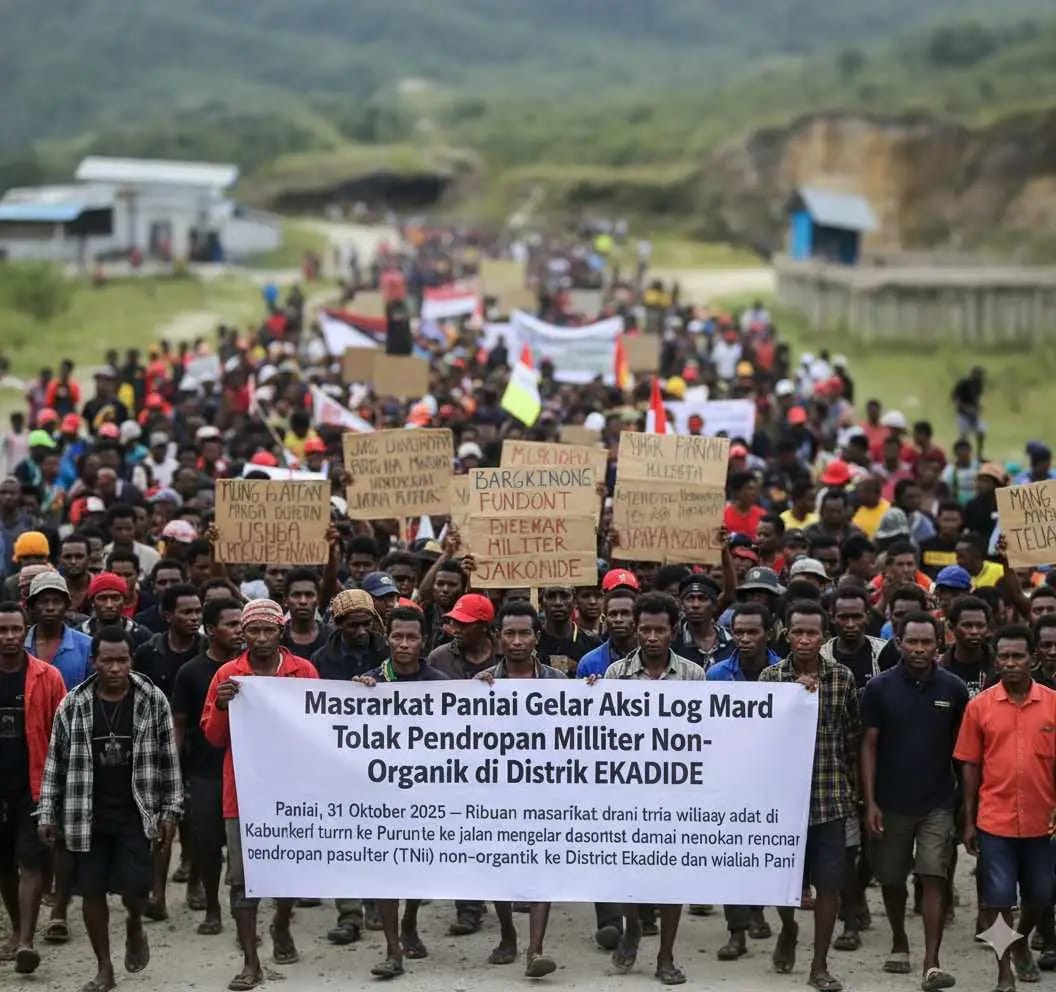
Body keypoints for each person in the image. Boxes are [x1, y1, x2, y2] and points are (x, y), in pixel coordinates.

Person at [38, 625, 181, 992]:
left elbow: (168, 758)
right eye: (107, 661)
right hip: (85, 813)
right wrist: (48, 813)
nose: (115, 668)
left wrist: (170, 810)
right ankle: (104, 967)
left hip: (137, 811)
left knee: (137, 888)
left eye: (122, 660)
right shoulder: (74, 704)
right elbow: (55, 762)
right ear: (94, 661)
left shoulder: (152, 699)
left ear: (131, 660)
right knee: (92, 890)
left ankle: (134, 923)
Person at [201, 599, 319, 991]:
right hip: (243, 793)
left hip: (291, 790)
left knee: (288, 873)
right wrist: (221, 706)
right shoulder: (227, 674)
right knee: (242, 880)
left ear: (280, 633)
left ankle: (282, 923)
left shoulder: (303, 672)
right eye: (254, 631)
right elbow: (214, 737)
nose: (262, 638)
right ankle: (251, 962)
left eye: (270, 630)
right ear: (243, 634)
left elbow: (320, 729)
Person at [860, 611, 967, 989]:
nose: (919, 649)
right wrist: (870, 801)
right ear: (899, 643)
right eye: (912, 642)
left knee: (933, 875)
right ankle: (899, 941)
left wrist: (964, 805)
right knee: (891, 878)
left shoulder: (954, 689)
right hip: (890, 801)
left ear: (939, 643)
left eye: (927, 642)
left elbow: (963, 751)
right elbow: (868, 747)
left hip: (937, 801)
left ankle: (931, 962)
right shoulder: (879, 688)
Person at [760, 600, 861, 992]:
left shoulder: (842, 677)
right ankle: (787, 928)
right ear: (786, 633)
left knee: (829, 885)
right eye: (797, 632)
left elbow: (852, 736)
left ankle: (819, 965)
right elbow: (759, 738)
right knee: (782, 883)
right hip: (783, 800)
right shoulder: (771, 679)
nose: (804, 639)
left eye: (812, 633)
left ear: (824, 635)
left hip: (830, 797)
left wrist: (854, 791)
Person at [603, 591, 700, 985]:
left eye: (660, 629)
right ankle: (632, 926)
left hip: (676, 790)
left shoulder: (694, 675)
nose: (652, 636)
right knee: (629, 871)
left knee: (671, 877)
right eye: (645, 629)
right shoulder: (615, 675)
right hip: (629, 790)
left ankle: (666, 956)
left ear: (674, 631)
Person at [954, 625, 1056, 990]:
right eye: (1005, 657)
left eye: (1019, 656)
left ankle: (1020, 941)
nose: (1011, 663)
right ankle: (1003, 971)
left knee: (1040, 895)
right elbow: (969, 764)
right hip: (993, 820)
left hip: (1042, 823)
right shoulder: (979, 707)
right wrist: (968, 819)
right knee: (997, 901)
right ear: (996, 660)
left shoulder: (1053, 704)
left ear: (1033, 658)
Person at [353, 606, 448, 978]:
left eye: (412, 637)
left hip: (426, 791)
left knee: (417, 871)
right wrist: (357, 696)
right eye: (397, 637)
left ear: (423, 640)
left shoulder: (438, 682)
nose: (404, 644)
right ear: (387, 638)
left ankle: (410, 920)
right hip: (382, 792)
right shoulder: (372, 681)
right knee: (385, 871)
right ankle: (394, 951)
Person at [472, 600, 564, 977]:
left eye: (524, 632)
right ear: (497, 638)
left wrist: (591, 693)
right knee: (501, 870)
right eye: (509, 633)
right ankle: (508, 933)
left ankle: (534, 949)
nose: (516, 640)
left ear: (536, 637)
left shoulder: (559, 684)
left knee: (541, 869)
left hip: (545, 792)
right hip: (498, 793)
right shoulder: (480, 683)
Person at [707, 602, 779, 960]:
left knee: (767, 850)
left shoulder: (788, 674)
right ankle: (736, 931)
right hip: (730, 777)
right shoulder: (718, 675)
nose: (745, 639)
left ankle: (759, 909)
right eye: (739, 632)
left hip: (777, 778)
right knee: (729, 852)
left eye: (753, 632)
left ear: (770, 632)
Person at [131, 583, 204, 920]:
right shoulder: (148, 652)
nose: (194, 618)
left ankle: (195, 884)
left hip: (203, 745)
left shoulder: (207, 649)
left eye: (198, 611)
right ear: (167, 615)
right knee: (163, 821)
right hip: (157, 745)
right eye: (186, 612)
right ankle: (156, 893)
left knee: (199, 822)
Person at [0, 602, 65, 975]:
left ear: (25, 631)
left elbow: (63, 733)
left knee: (30, 861)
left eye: (15, 630)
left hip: (34, 785)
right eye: (2, 631)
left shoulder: (47, 676)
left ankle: (25, 940)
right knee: (5, 868)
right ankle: (15, 928)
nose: (9, 637)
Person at [171, 597, 242, 937]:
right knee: (208, 845)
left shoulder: (254, 670)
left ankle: (243, 911)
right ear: (211, 630)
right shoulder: (191, 672)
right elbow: (180, 725)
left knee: (245, 850)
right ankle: (212, 908)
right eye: (231, 624)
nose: (239, 630)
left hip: (248, 773)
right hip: (204, 772)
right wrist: (175, 771)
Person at [24, 571, 91, 689]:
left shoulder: (87, 646)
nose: (50, 608)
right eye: (44, 601)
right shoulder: (20, 645)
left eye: (57, 601)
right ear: (32, 607)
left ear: (67, 606)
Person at [311, 588, 387, 680]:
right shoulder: (321, 659)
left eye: (366, 624)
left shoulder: (387, 653)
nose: (362, 632)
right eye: (353, 625)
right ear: (339, 624)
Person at [577, 582, 639, 678]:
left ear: (637, 618)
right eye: (613, 614)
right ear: (605, 618)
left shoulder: (654, 658)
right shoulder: (589, 663)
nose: (618, 619)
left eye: (625, 613)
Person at [537, 584, 600, 675]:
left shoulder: (593, 645)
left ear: (575, 602)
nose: (558, 603)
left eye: (564, 596)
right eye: (551, 596)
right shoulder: (532, 644)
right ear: (541, 603)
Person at [675, 574, 732, 668]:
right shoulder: (673, 642)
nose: (695, 605)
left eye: (702, 598)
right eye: (690, 599)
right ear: (682, 605)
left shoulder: (732, 641)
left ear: (715, 605)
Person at [280, 568, 332, 660]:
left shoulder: (332, 637)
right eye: (296, 595)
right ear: (285, 601)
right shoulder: (277, 638)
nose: (303, 601)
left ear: (318, 600)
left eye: (309, 595)